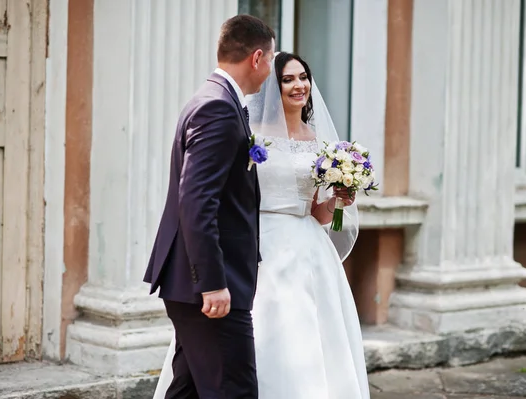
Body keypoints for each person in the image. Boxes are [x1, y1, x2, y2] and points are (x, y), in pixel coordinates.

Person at [154, 51, 370, 399]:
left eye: (303, 77)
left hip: (308, 248)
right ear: (274, 85)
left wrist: (338, 201)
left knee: (310, 338)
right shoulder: (251, 133)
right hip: (258, 244)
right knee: (256, 333)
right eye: (288, 79)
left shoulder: (318, 141)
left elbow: (317, 212)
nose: (299, 85)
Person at [143, 15, 275, 399]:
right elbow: (197, 200)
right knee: (234, 390)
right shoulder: (218, 107)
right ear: (256, 58)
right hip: (211, 286)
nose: (270, 70)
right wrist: (213, 283)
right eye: (270, 59)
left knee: (188, 390)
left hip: (194, 285)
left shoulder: (217, 99)